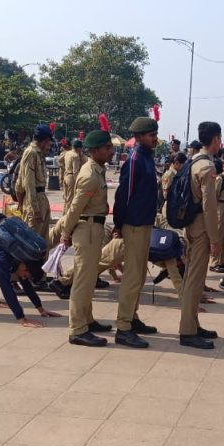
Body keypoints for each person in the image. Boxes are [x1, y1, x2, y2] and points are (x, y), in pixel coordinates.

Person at [110, 116, 162, 349]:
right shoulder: (134, 160)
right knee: (132, 277)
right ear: (139, 137)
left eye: (155, 134)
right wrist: (119, 224)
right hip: (133, 224)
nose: (155, 139)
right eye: (151, 135)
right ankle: (123, 327)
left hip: (145, 223)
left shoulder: (147, 158)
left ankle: (132, 316)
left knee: (139, 275)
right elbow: (124, 195)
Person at [65, 129, 117, 347]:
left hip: (94, 228)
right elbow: (75, 208)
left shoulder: (97, 170)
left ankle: (87, 319)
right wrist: (65, 233)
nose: (111, 151)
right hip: (86, 229)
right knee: (83, 282)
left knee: (88, 280)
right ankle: (77, 329)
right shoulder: (89, 175)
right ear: (95, 151)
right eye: (107, 148)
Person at [178, 122, 223, 350]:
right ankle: (187, 331)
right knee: (195, 281)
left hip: (191, 225)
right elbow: (209, 206)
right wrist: (215, 239)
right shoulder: (207, 166)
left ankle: (193, 324)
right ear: (216, 139)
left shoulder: (194, 160)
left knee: (192, 277)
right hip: (202, 228)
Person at [16, 125, 54, 239]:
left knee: (43, 240)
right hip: (34, 201)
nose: (49, 144)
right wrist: (35, 209)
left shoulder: (39, 153)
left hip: (41, 198)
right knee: (32, 241)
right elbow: (29, 183)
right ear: (45, 140)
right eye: (48, 141)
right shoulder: (31, 153)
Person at [61, 140, 85, 209]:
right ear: (78, 148)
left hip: (66, 176)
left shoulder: (67, 153)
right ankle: (68, 215)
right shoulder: (75, 156)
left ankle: (64, 214)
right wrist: (78, 183)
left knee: (66, 199)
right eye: (81, 148)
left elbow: (61, 162)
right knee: (70, 200)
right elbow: (75, 171)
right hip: (71, 178)